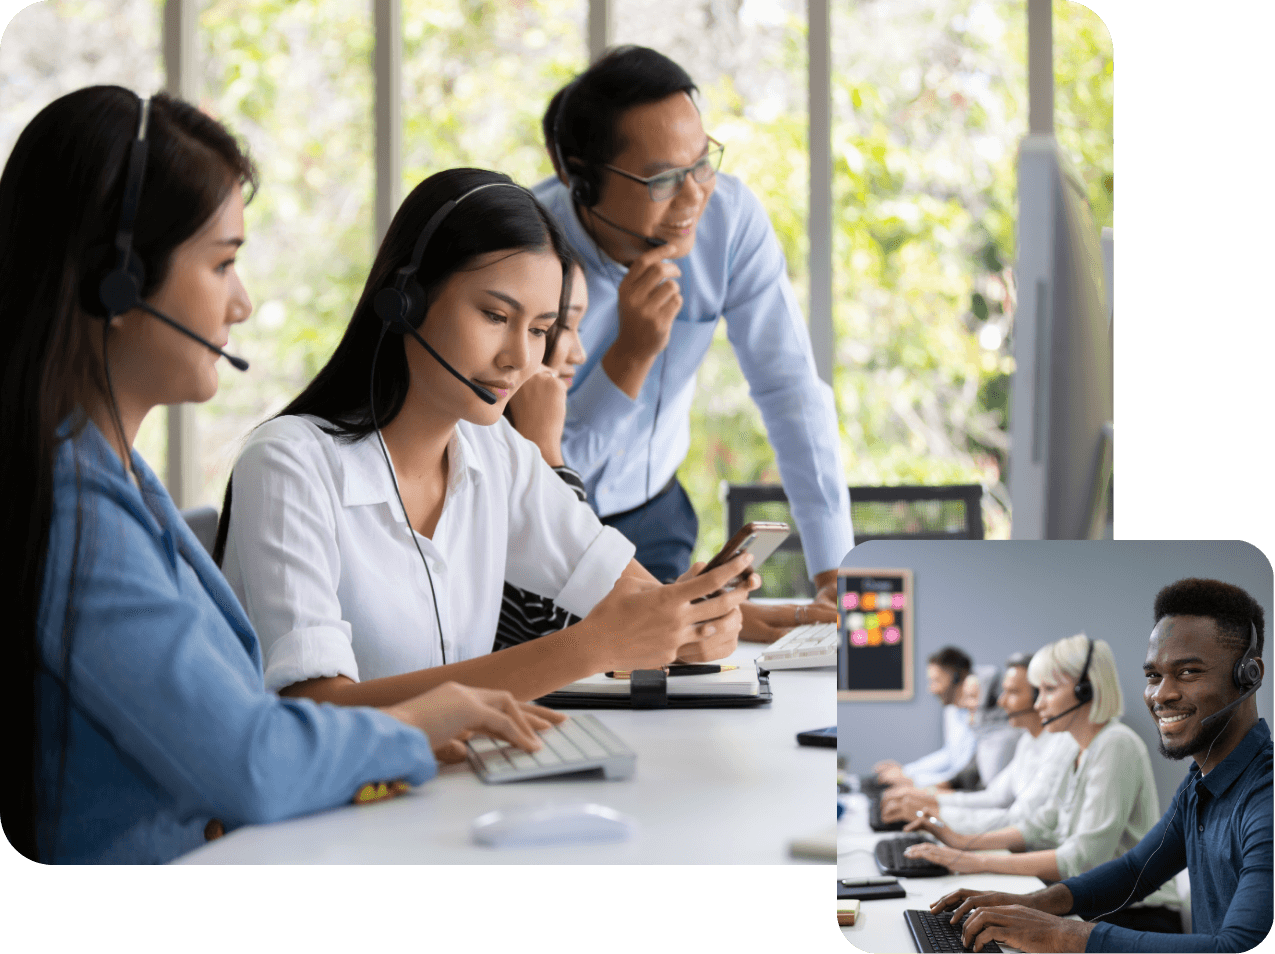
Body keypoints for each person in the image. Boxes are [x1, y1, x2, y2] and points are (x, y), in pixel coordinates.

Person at [0, 87, 562, 864]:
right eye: (223, 262)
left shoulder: (117, 478)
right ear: (117, 283)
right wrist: (423, 720)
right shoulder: (74, 510)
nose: (243, 302)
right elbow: (250, 762)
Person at [215, 168, 759, 726]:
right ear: (406, 301)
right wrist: (596, 646)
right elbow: (314, 710)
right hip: (337, 811)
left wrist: (694, 624)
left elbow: (634, 598)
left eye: (540, 329)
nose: (520, 359)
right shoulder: (288, 464)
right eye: (496, 316)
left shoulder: (491, 449)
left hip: (451, 794)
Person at [533, 45, 849, 640]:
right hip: (542, 533)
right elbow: (529, 471)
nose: (695, 196)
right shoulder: (527, 250)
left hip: (654, 513)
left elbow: (789, 389)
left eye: (702, 163)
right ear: (580, 177)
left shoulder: (728, 221)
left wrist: (832, 566)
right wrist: (630, 356)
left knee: (687, 683)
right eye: (663, 179)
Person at [931, 579, 1272, 953]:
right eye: (1153, 676)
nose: (1162, 694)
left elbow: (1239, 947)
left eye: (1188, 672)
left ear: (1248, 675)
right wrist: (1028, 904)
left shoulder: (1264, 796)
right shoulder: (1199, 786)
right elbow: (1133, 872)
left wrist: (1060, 933)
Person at [903, 635, 1181, 926]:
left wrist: (975, 860)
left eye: (1048, 690)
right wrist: (962, 843)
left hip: (1137, 915)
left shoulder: (1117, 745)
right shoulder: (1074, 745)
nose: (1039, 703)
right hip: (1094, 905)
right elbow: (1039, 824)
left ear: (1085, 690)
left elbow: (1083, 859)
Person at [493, 257, 590, 651]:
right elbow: (556, 620)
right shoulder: (480, 447)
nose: (579, 353)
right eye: (557, 327)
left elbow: (594, 585)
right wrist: (545, 451)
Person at [882, 652, 1078, 835]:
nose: (1001, 702)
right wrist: (929, 802)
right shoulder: (1027, 740)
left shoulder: (1048, 744)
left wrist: (934, 813)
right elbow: (994, 796)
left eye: (1012, 692)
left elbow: (1017, 817)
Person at [874, 646, 975, 790]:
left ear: (956, 679)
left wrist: (912, 780)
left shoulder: (977, 717)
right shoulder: (951, 711)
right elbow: (949, 754)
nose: (931, 689)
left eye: (936, 681)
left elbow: (960, 775)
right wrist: (905, 771)